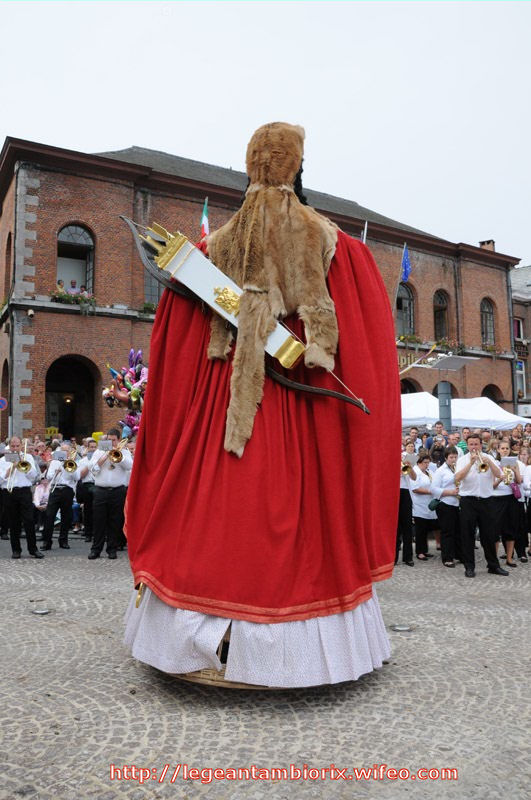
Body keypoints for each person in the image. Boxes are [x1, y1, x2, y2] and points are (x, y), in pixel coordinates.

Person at [123, 121, 400, 688]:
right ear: (298, 168)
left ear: (249, 166)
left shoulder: (204, 255)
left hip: (218, 409)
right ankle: (285, 651)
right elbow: (367, 350)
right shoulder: (341, 250)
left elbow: (175, 359)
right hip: (304, 411)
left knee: (213, 513)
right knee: (306, 519)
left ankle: (200, 638)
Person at [454, 433, 505, 578]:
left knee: (489, 535)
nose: (474, 447)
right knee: (467, 535)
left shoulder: (489, 458)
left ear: (481, 445)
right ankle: (469, 567)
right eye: (471, 444)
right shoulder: (462, 460)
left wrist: (490, 463)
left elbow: (499, 475)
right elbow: (457, 478)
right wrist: (470, 463)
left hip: (486, 500)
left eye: (476, 444)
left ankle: (493, 566)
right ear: (467, 445)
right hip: (468, 501)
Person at [88, 429, 132, 560]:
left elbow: (130, 466)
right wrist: (105, 456)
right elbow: (92, 469)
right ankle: (96, 549)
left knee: (115, 521)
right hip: (100, 490)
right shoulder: (99, 451)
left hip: (118, 491)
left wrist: (119, 456)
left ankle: (112, 549)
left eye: (114, 440)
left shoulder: (124, 452)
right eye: (109, 440)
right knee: (98, 521)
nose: (111, 442)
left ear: (118, 440)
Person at [0, 436, 43, 559]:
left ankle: (33, 549)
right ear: (9, 446)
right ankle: (16, 550)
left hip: (24, 491)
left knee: (29, 520)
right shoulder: (3, 460)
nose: (15, 448)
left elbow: (34, 476)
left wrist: (23, 465)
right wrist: (11, 468)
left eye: (17, 446)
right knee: (14, 522)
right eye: (12, 446)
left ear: (21, 446)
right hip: (9, 492)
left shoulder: (28, 457)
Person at [42, 444, 80, 549]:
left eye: (66, 450)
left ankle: (63, 541)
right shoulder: (54, 462)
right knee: (49, 515)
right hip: (55, 489)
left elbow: (77, 477)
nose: (64, 452)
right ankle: (47, 542)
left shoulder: (73, 462)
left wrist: (70, 469)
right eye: (62, 450)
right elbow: (48, 477)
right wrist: (55, 472)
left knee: (66, 516)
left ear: (70, 452)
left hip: (67, 490)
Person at [491, 440, 522, 568]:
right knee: (495, 530)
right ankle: (494, 559)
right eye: (502, 448)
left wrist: (515, 470)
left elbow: (519, 481)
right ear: (498, 450)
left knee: (511, 528)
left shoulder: (515, 463)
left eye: (507, 448)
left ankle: (509, 558)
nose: (505, 450)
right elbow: (491, 486)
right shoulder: (494, 463)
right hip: (497, 499)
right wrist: (500, 479)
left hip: (510, 499)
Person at [431, 446, 461, 567]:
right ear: (446, 458)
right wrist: (450, 492)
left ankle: (458, 554)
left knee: (458, 531)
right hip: (445, 503)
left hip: (457, 503)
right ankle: (447, 558)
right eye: (451, 457)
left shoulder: (458, 468)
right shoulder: (440, 471)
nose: (453, 460)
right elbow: (433, 489)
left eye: (455, 457)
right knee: (447, 532)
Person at [409, 450, 438, 560]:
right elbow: (415, 489)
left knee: (425, 530)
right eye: (425, 462)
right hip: (419, 505)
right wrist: (430, 491)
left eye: (428, 462)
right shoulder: (416, 472)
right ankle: (419, 552)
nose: (427, 464)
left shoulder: (429, 472)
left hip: (429, 504)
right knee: (420, 530)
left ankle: (425, 550)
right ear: (419, 462)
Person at [396, 444, 416, 566]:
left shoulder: (405, 459)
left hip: (405, 492)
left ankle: (408, 557)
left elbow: (414, 477)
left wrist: (410, 467)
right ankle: (393, 557)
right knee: (395, 526)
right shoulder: (391, 460)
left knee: (407, 525)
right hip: (394, 492)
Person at [77, 439, 97, 542]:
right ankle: (88, 533)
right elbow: (80, 476)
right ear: (87, 448)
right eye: (91, 447)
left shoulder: (100, 459)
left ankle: (97, 533)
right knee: (88, 510)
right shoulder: (82, 461)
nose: (93, 449)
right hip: (87, 485)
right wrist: (89, 464)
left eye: (95, 447)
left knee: (98, 510)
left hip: (97, 485)